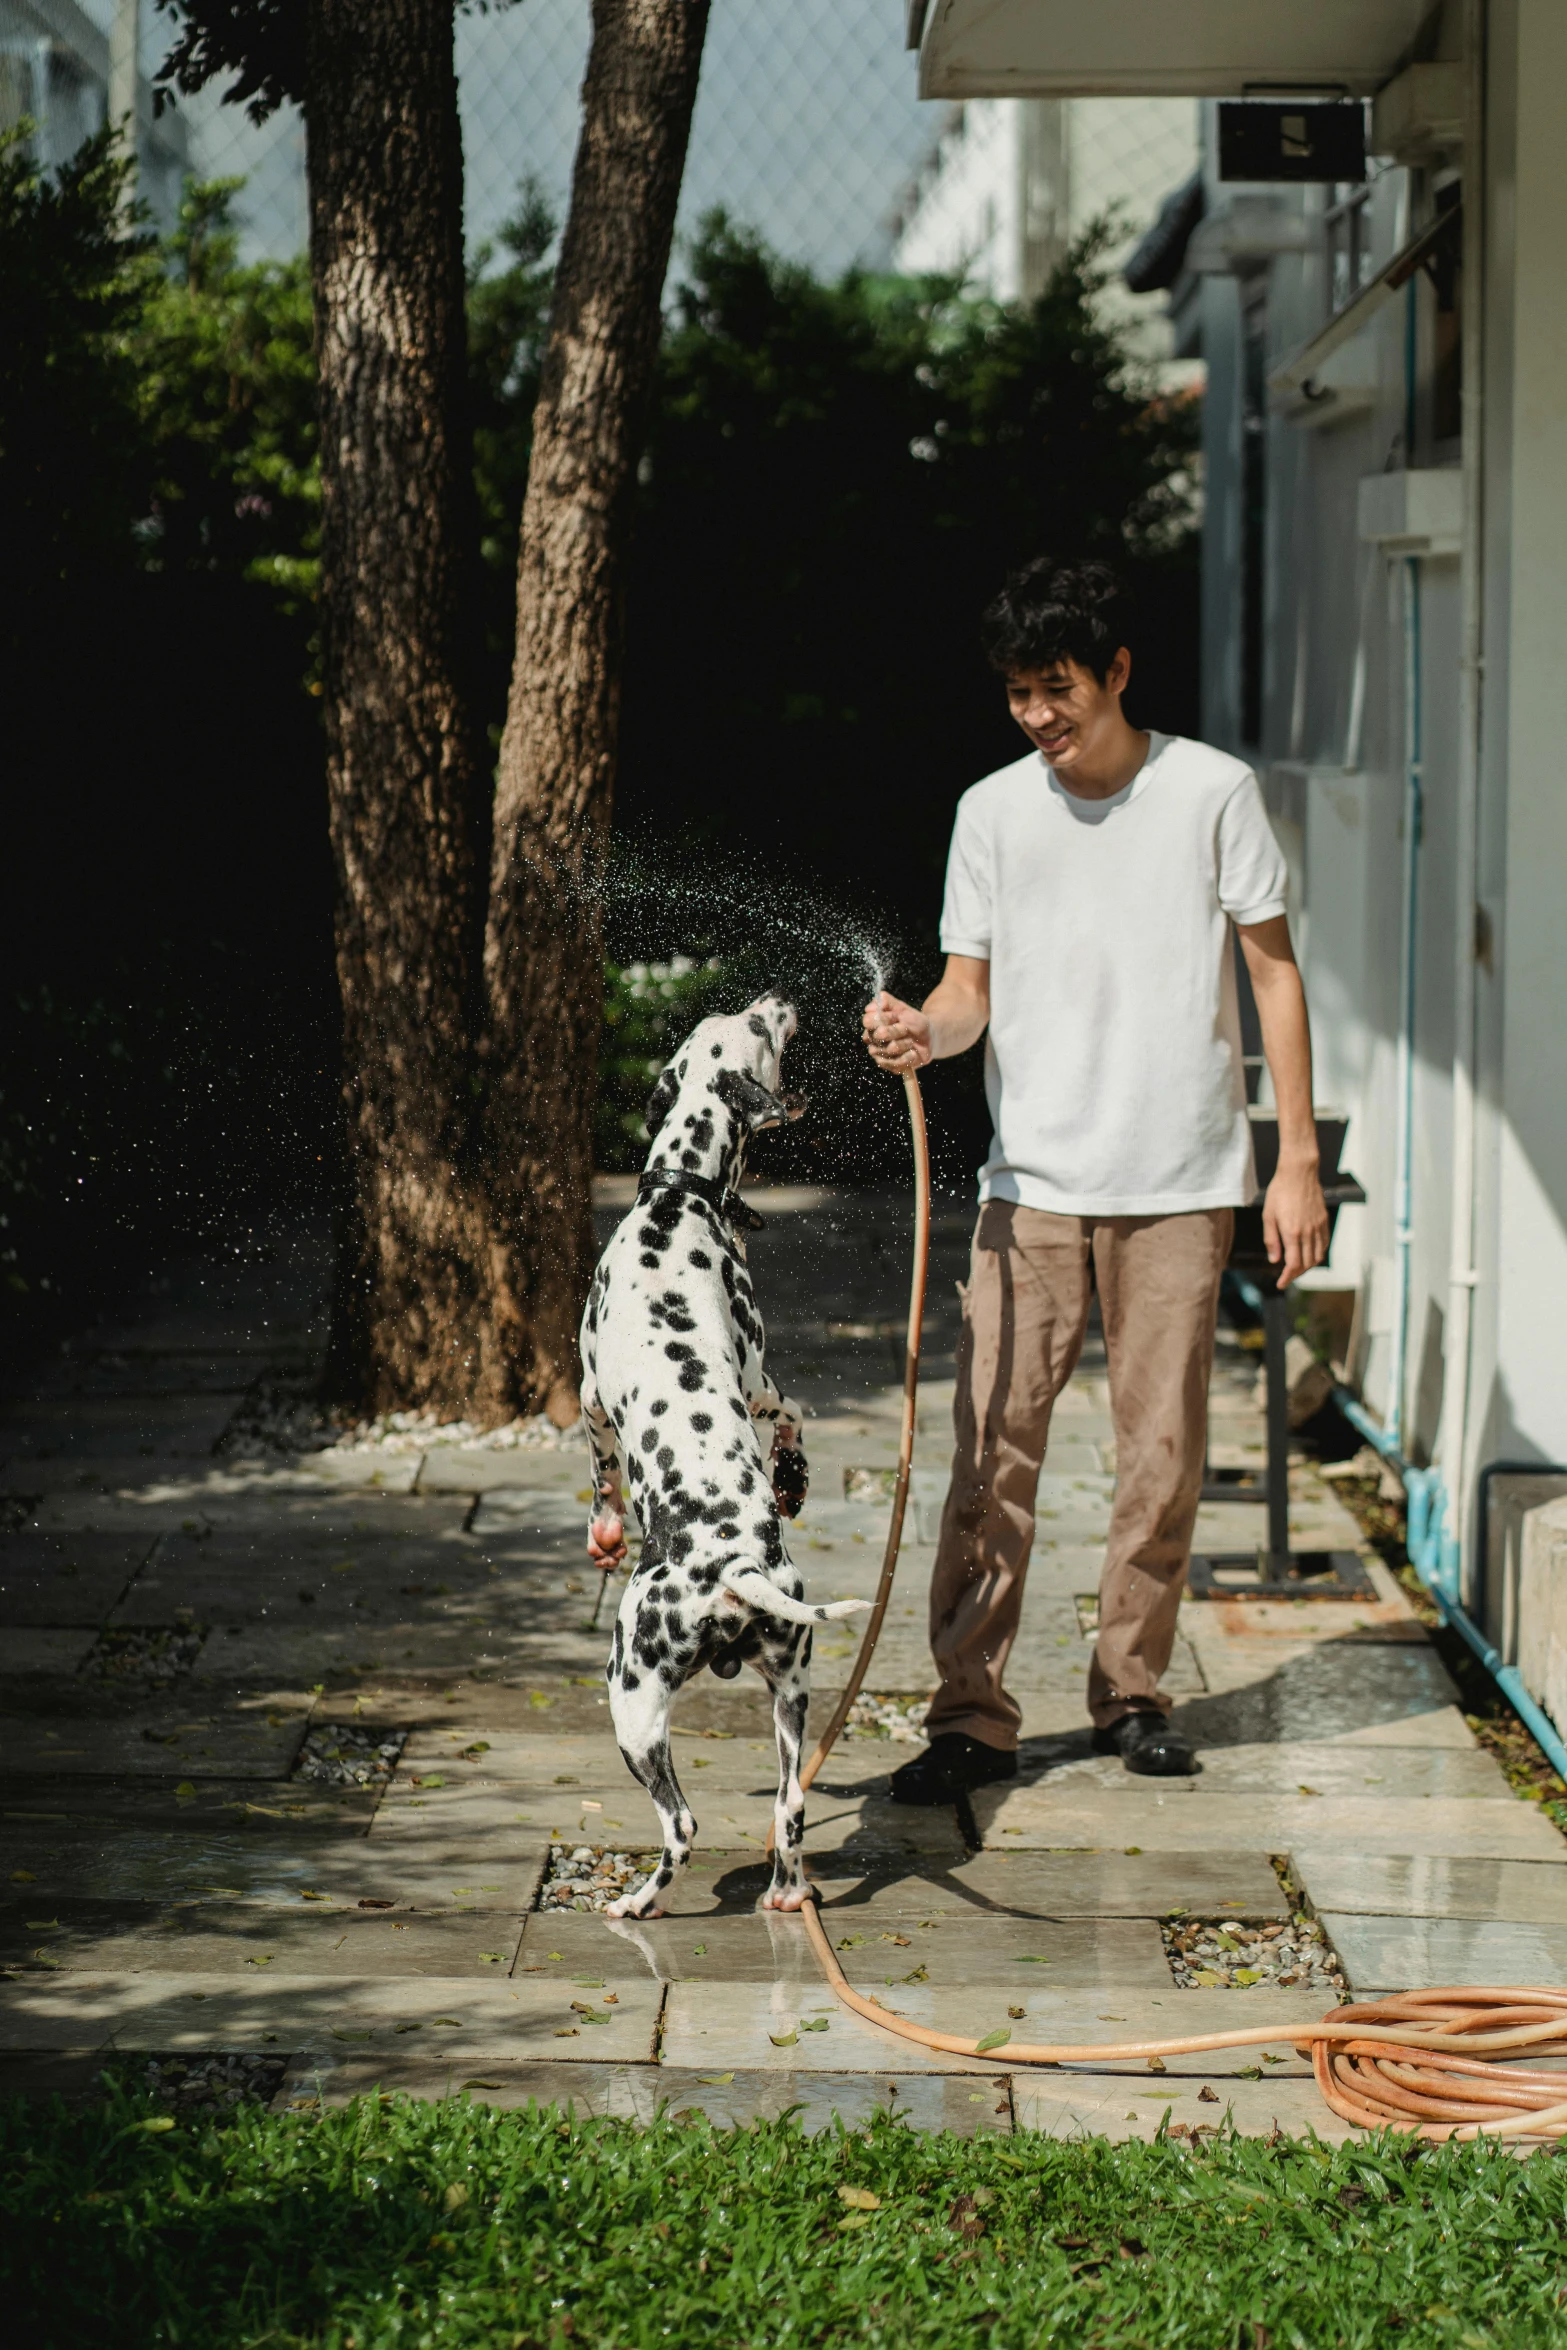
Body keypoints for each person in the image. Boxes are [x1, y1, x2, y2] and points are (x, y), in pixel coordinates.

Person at [863, 556, 1328, 1791]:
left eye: (1056, 688)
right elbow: (969, 992)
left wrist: (1294, 1163)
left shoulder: (1212, 793)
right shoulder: (991, 812)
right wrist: (926, 1028)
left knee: (1160, 1454)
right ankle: (968, 1710)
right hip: (1032, 1187)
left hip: (1180, 1178)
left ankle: (1130, 1691)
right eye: (1018, 692)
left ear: (1117, 672)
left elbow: (1273, 973)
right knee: (986, 1453)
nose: (1037, 716)